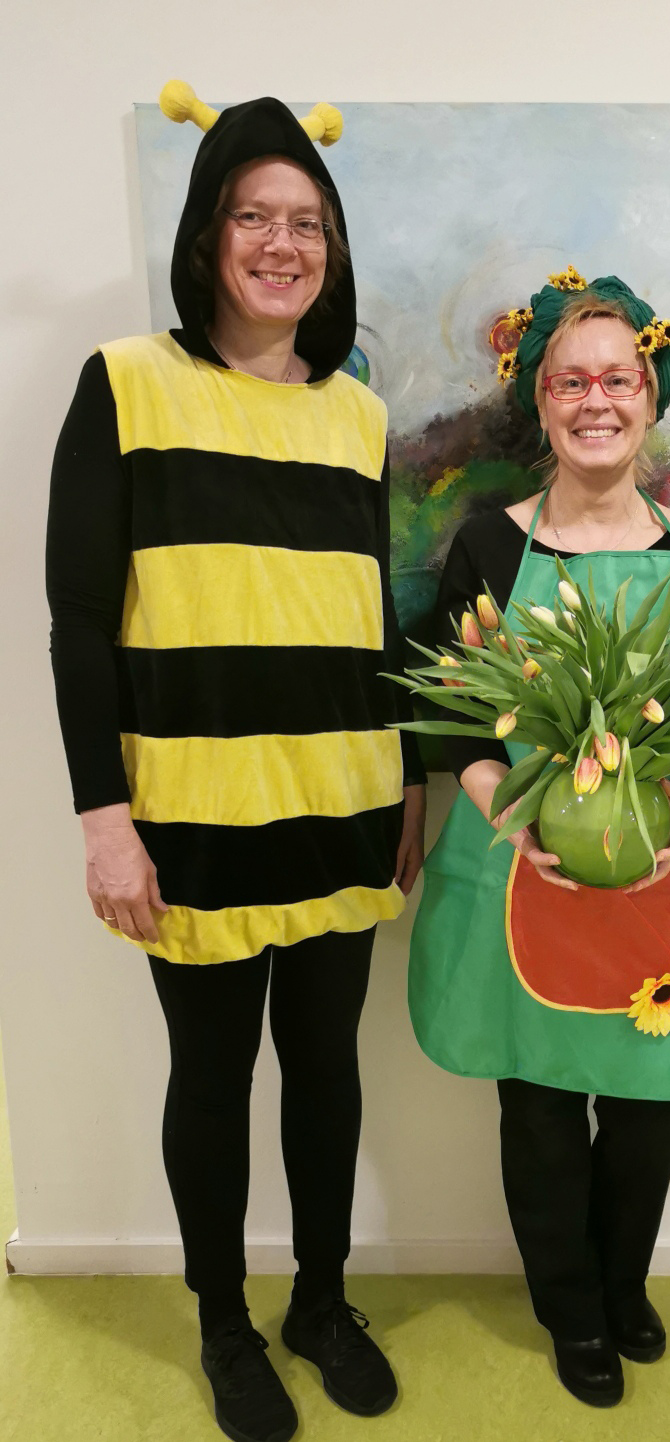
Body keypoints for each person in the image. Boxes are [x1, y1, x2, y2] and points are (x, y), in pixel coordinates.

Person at [45, 83, 426, 1442]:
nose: (282, 242)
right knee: (212, 1077)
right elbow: (81, 620)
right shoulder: (128, 385)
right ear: (209, 232)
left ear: (332, 246)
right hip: (191, 812)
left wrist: (411, 782)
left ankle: (320, 1300)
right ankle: (223, 1320)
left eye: (307, 221)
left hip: (341, 802)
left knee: (325, 1064)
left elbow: (367, 618)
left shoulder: (357, 418)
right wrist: (104, 815)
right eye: (254, 216)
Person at [407, 270, 670, 1407]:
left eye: (616, 379)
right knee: (541, 1101)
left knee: (654, 1102)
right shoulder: (488, 551)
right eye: (569, 381)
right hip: (524, 873)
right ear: (539, 400)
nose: (594, 399)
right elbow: (458, 719)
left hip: (656, 876)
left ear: (650, 399)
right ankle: (571, 1306)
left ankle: (618, 1273)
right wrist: (510, 806)